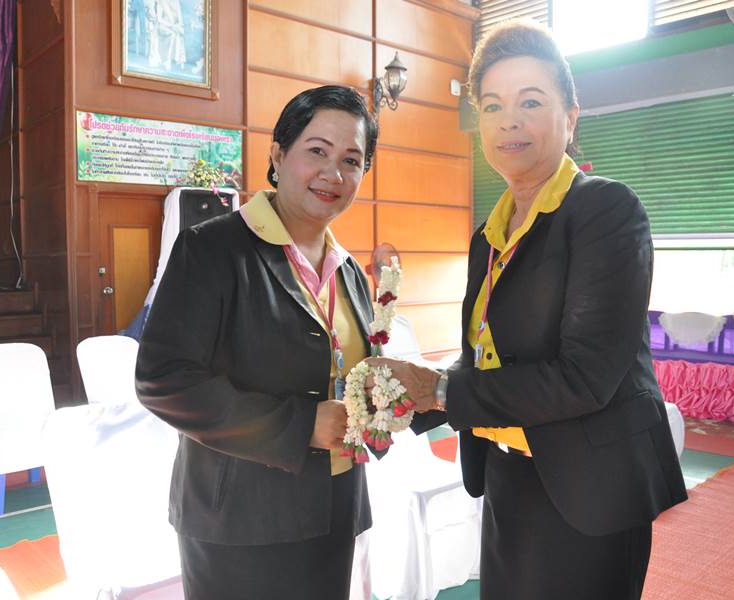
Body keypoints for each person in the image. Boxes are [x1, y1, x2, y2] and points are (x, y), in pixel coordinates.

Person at [369, 20, 688, 599]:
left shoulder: (606, 212)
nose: (508, 121)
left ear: (571, 117)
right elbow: (490, 362)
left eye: (531, 102)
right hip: (508, 475)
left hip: (589, 492)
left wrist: (438, 390)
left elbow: (585, 378)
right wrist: (404, 403)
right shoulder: (487, 236)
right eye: (492, 106)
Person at [136, 85, 379, 600]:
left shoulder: (351, 272)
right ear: (278, 155)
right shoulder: (212, 248)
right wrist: (301, 425)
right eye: (317, 150)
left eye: (351, 160)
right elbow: (163, 380)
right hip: (239, 520)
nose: (333, 173)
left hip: (333, 507)